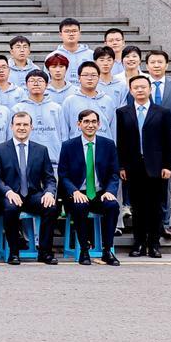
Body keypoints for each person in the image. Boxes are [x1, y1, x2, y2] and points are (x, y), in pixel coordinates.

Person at [117, 77, 171, 259]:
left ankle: (154, 244)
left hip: (157, 167)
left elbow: (169, 141)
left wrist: (167, 165)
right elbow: (120, 141)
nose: (140, 90)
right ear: (131, 90)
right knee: (137, 207)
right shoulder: (123, 112)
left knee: (155, 207)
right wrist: (121, 166)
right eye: (136, 87)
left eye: (143, 87)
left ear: (150, 89)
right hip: (133, 166)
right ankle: (139, 244)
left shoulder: (162, 112)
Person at [0, 112, 61, 265]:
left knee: (51, 207)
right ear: (12, 126)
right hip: (10, 195)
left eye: (25, 125)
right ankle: (14, 253)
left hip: (33, 194)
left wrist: (49, 192)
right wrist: (8, 192)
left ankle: (45, 253)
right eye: (18, 124)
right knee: (11, 208)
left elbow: (49, 178)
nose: (21, 128)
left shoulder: (41, 150)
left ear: (31, 127)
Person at [58, 109, 121, 265]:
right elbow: (63, 175)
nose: (90, 125)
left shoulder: (108, 145)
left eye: (93, 122)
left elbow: (114, 173)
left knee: (112, 206)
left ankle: (107, 251)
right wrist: (74, 191)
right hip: (77, 193)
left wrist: (110, 191)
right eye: (86, 122)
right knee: (80, 206)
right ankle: (84, 251)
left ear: (99, 125)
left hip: (100, 193)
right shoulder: (68, 146)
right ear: (79, 124)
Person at [145, 49, 171, 237]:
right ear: (147, 65)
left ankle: (164, 223)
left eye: (160, 62)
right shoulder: (141, 84)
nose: (156, 65)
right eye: (152, 62)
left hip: (168, 143)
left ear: (166, 65)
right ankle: (147, 224)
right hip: (145, 141)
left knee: (165, 184)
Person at [11, 70, 65, 169]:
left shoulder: (56, 108)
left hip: (54, 161)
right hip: (26, 162)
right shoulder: (18, 108)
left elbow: (64, 135)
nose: (36, 84)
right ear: (26, 85)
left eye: (40, 81)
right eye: (32, 81)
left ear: (47, 85)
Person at [62, 62, 116, 140]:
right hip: (77, 145)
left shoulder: (108, 101)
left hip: (103, 145)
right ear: (79, 78)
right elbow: (64, 129)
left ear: (99, 77)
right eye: (85, 75)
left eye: (93, 75)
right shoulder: (69, 101)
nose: (90, 78)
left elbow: (113, 129)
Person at [49, 17, 93, 83]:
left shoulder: (91, 55)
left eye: (74, 31)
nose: (71, 34)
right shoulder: (52, 56)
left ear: (79, 33)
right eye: (67, 31)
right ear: (60, 34)